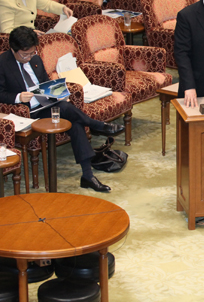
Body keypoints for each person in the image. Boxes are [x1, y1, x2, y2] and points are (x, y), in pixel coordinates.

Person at [0, 27, 124, 192]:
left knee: (73, 120)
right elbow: (0, 93)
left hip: (46, 104)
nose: (29, 57)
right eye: (25, 54)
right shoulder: (3, 63)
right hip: (26, 111)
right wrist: (18, 98)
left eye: (32, 53)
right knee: (68, 111)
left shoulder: (35, 59)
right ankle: (97, 125)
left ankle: (87, 175)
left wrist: (57, 92)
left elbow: (45, 83)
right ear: (13, 50)